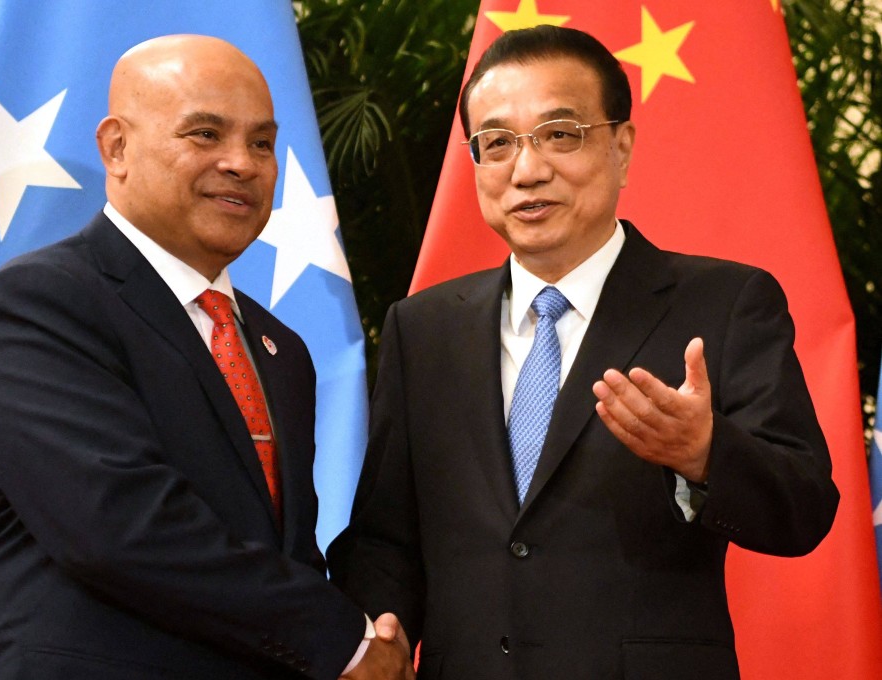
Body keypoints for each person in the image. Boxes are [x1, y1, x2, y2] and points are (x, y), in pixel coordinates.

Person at [327, 25, 839, 680]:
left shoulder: (726, 302)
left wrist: (705, 455)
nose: (527, 169)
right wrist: (382, 630)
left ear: (622, 148)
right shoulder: (422, 328)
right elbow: (386, 537)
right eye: (497, 144)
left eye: (560, 135)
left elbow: (804, 509)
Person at [0, 34, 414, 680]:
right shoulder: (43, 304)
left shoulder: (281, 351)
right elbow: (120, 527)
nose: (242, 164)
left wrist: (368, 626)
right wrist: (343, 641)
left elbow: (284, 554)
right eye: (204, 135)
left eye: (262, 143)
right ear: (116, 148)